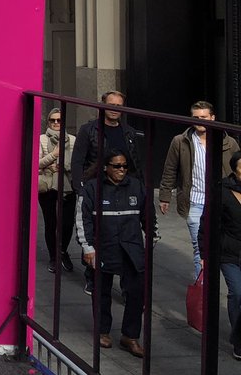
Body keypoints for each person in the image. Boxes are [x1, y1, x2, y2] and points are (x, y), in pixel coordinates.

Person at [76, 150, 150, 357]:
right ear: (105, 167)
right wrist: (88, 247)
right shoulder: (92, 189)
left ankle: (130, 336)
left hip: (132, 247)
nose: (121, 170)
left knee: (136, 293)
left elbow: (147, 215)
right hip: (105, 246)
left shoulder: (136, 186)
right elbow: (83, 219)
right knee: (102, 291)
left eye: (125, 166)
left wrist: (151, 238)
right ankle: (102, 331)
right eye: (117, 166)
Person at [70, 90, 145, 294]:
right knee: (96, 231)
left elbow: (135, 161)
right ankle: (93, 277)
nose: (114, 110)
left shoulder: (128, 132)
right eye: (111, 105)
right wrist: (80, 187)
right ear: (102, 105)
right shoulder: (89, 130)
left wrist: (140, 186)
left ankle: (125, 281)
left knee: (124, 232)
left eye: (119, 106)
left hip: (123, 187)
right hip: (96, 187)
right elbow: (77, 160)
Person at [158, 100, 238, 280]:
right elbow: (170, 169)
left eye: (204, 117)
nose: (200, 120)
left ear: (212, 117)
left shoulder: (228, 142)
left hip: (221, 202)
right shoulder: (180, 141)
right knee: (200, 248)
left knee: (225, 245)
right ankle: (203, 289)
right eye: (196, 117)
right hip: (195, 202)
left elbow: (238, 170)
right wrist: (165, 196)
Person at [201, 150, 241, 361]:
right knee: (237, 293)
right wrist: (204, 252)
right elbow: (207, 222)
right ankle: (238, 340)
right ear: (234, 170)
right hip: (228, 253)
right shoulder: (223, 191)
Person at [38, 108, 76, 273]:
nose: (55, 123)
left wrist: (63, 168)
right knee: (50, 223)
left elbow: (77, 163)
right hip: (48, 187)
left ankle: (63, 251)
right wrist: (53, 155)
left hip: (68, 186)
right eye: (52, 120)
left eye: (59, 120)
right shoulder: (42, 139)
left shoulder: (72, 140)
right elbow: (37, 163)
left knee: (67, 223)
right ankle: (54, 257)